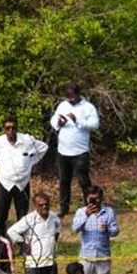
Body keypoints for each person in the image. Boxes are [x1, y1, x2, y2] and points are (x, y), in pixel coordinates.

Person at [0, 117, 49, 234]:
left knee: (22, 215)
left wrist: (32, 162)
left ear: (17, 128)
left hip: (22, 183)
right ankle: (0, 243)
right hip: (5, 182)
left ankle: (22, 242)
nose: (11, 131)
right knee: (1, 215)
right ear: (4, 130)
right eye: (8, 128)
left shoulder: (27, 140)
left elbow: (43, 148)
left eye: (13, 128)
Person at [9, 192, 63, 274]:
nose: (44, 207)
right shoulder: (29, 219)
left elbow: (58, 229)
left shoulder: (54, 217)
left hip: (50, 261)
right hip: (34, 263)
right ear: (35, 206)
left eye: (46, 204)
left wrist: (53, 243)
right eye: (41, 205)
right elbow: (12, 231)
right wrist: (22, 244)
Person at [50, 84, 100, 215]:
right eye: (68, 97)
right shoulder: (63, 105)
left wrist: (77, 121)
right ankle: (64, 208)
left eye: (72, 97)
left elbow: (95, 124)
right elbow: (53, 120)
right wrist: (58, 123)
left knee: (83, 181)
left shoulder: (87, 107)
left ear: (78, 94)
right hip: (63, 151)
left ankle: (90, 206)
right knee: (64, 181)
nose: (70, 100)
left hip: (80, 152)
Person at [71, 185, 118, 274]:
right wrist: (86, 216)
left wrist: (108, 229)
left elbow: (115, 231)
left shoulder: (109, 212)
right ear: (86, 198)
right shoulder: (81, 212)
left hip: (103, 255)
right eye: (91, 198)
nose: (94, 201)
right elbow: (74, 229)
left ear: (101, 198)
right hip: (86, 256)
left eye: (96, 198)